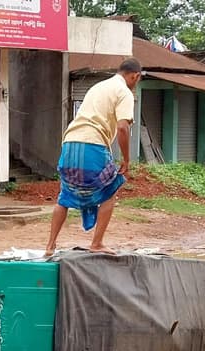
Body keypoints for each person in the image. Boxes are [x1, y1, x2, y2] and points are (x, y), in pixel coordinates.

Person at [45, 58, 142, 257]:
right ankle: (96, 243)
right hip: (92, 144)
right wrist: (126, 159)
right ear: (135, 76)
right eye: (137, 81)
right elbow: (123, 127)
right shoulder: (124, 92)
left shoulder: (99, 86)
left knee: (64, 195)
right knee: (111, 187)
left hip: (70, 142)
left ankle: (50, 246)